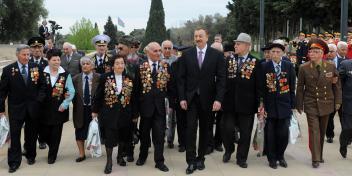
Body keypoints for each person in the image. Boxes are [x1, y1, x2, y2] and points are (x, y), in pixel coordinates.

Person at [177, 28, 226, 174]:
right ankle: (190, 161)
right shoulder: (187, 55)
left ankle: (201, 159)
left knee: (206, 130)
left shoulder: (216, 55)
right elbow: (181, 79)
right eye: (196, 36)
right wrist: (182, 98)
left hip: (209, 100)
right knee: (190, 129)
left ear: (207, 37)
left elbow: (222, 79)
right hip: (191, 100)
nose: (198, 38)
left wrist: (218, 99)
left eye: (200, 36)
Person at [0, 44, 46, 173]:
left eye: (28, 55)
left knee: (31, 135)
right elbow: (2, 92)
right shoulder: (8, 70)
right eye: (24, 55)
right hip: (16, 109)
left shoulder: (36, 67)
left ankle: (31, 156)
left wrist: (39, 100)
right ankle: (14, 162)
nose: (27, 57)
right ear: (17, 55)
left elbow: (43, 86)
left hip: (33, 108)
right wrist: (1, 109)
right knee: (14, 136)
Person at [296, 38, 342, 168]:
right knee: (314, 131)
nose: (312, 54)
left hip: (327, 103)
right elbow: (300, 88)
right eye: (311, 52)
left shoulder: (331, 66)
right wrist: (299, 104)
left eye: (316, 52)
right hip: (311, 103)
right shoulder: (303, 68)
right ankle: (315, 158)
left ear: (322, 54)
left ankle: (319, 154)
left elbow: (336, 86)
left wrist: (338, 102)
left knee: (322, 131)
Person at [92, 55, 137, 174]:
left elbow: (134, 98)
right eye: (117, 63)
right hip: (109, 113)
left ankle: (120, 157)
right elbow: (99, 95)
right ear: (113, 66)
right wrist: (95, 111)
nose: (120, 65)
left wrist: (135, 115)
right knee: (110, 138)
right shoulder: (105, 77)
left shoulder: (130, 78)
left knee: (123, 137)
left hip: (125, 113)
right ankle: (109, 161)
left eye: (122, 63)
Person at [221, 33, 260, 169]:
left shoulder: (256, 62)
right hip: (229, 103)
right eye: (235, 43)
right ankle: (229, 149)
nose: (235, 46)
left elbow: (258, 86)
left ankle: (241, 157)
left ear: (247, 46)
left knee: (245, 133)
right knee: (227, 129)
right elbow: (223, 81)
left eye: (238, 44)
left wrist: (259, 105)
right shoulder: (228, 60)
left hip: (247, 104)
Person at [134, 42, 171, 172]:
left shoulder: (165, 66)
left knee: (159, 136)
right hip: (145, 108)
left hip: (160, 108)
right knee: (144, 135)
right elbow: (136, 90)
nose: (158, 53)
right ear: (148, 52)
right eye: (155, 51)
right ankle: (142, 156)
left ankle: (159, 161)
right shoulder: (140, 67)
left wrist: (170, 102)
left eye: (159, 51)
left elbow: (169, 86)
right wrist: (136, 110)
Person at [260, 43, 296, 169]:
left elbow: (292, 87)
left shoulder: (289, 66)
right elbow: (261, 88)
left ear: (282, 53)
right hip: (269, 106)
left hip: (284, 106)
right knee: (270, 134)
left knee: (283, 134)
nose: (275, 54)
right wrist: (261, 105)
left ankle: (281, 156)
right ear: (269, 53)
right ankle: (272, 158)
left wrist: (292, 105)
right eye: (273, 52)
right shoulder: (264, 66)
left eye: (278, 52)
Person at [40, 49, 75, 164]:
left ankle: (52, 155)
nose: (57, 62)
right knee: (44, 134)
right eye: (54, 60)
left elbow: (71, 91)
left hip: (59, 108)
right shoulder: (42, 72)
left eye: (58, 59)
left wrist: (65, 104)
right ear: (48, 60)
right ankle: (51, 146)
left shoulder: (65, 74)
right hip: (44, 108)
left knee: (56, 134)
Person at [72, 56, 100, 162]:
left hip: (95, 110)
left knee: (96, 131)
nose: (85, 66)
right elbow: (71, 94)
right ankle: (81, 154)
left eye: (87, 63)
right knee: (79, 131)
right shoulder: (75, 79)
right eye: (83, 64)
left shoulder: (99, 77)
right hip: (80, 109)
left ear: (92, 66)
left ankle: (96, 150)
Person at [27, 36, 48, 150]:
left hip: (44, 98)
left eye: (39, 47)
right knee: (30, 123)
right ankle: (29, 143)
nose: (37, 50)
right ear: (30, 49)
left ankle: (42, 140)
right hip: (30, 98)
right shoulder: (27, 62)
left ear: (43, 48)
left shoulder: (47, 63)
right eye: (34, 48)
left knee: (43, 121)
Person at [161, 40, 179, 149]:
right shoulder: (158, 59)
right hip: (161, 93)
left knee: (172, 118)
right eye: (165, 48)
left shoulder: (177, 60)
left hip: (172, 93)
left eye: (169, 48)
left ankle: (170, 139)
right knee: (161, 117)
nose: (167, 50)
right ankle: (160, 137)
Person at [325, 43, 344, 143]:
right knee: (329, 116)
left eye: (331, 51)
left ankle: (346, 136)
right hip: (329, 94)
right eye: (327, 51)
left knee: (344, 117)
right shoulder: (323, 62)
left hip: (343, 94)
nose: (329, 54)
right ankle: (329, 135)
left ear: (336, 52)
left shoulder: (344, 61)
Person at [339, 58, 352, 158]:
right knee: (347, 128)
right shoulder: (346, 64)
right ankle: (343, 145)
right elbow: (339, 84)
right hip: (348, 102)